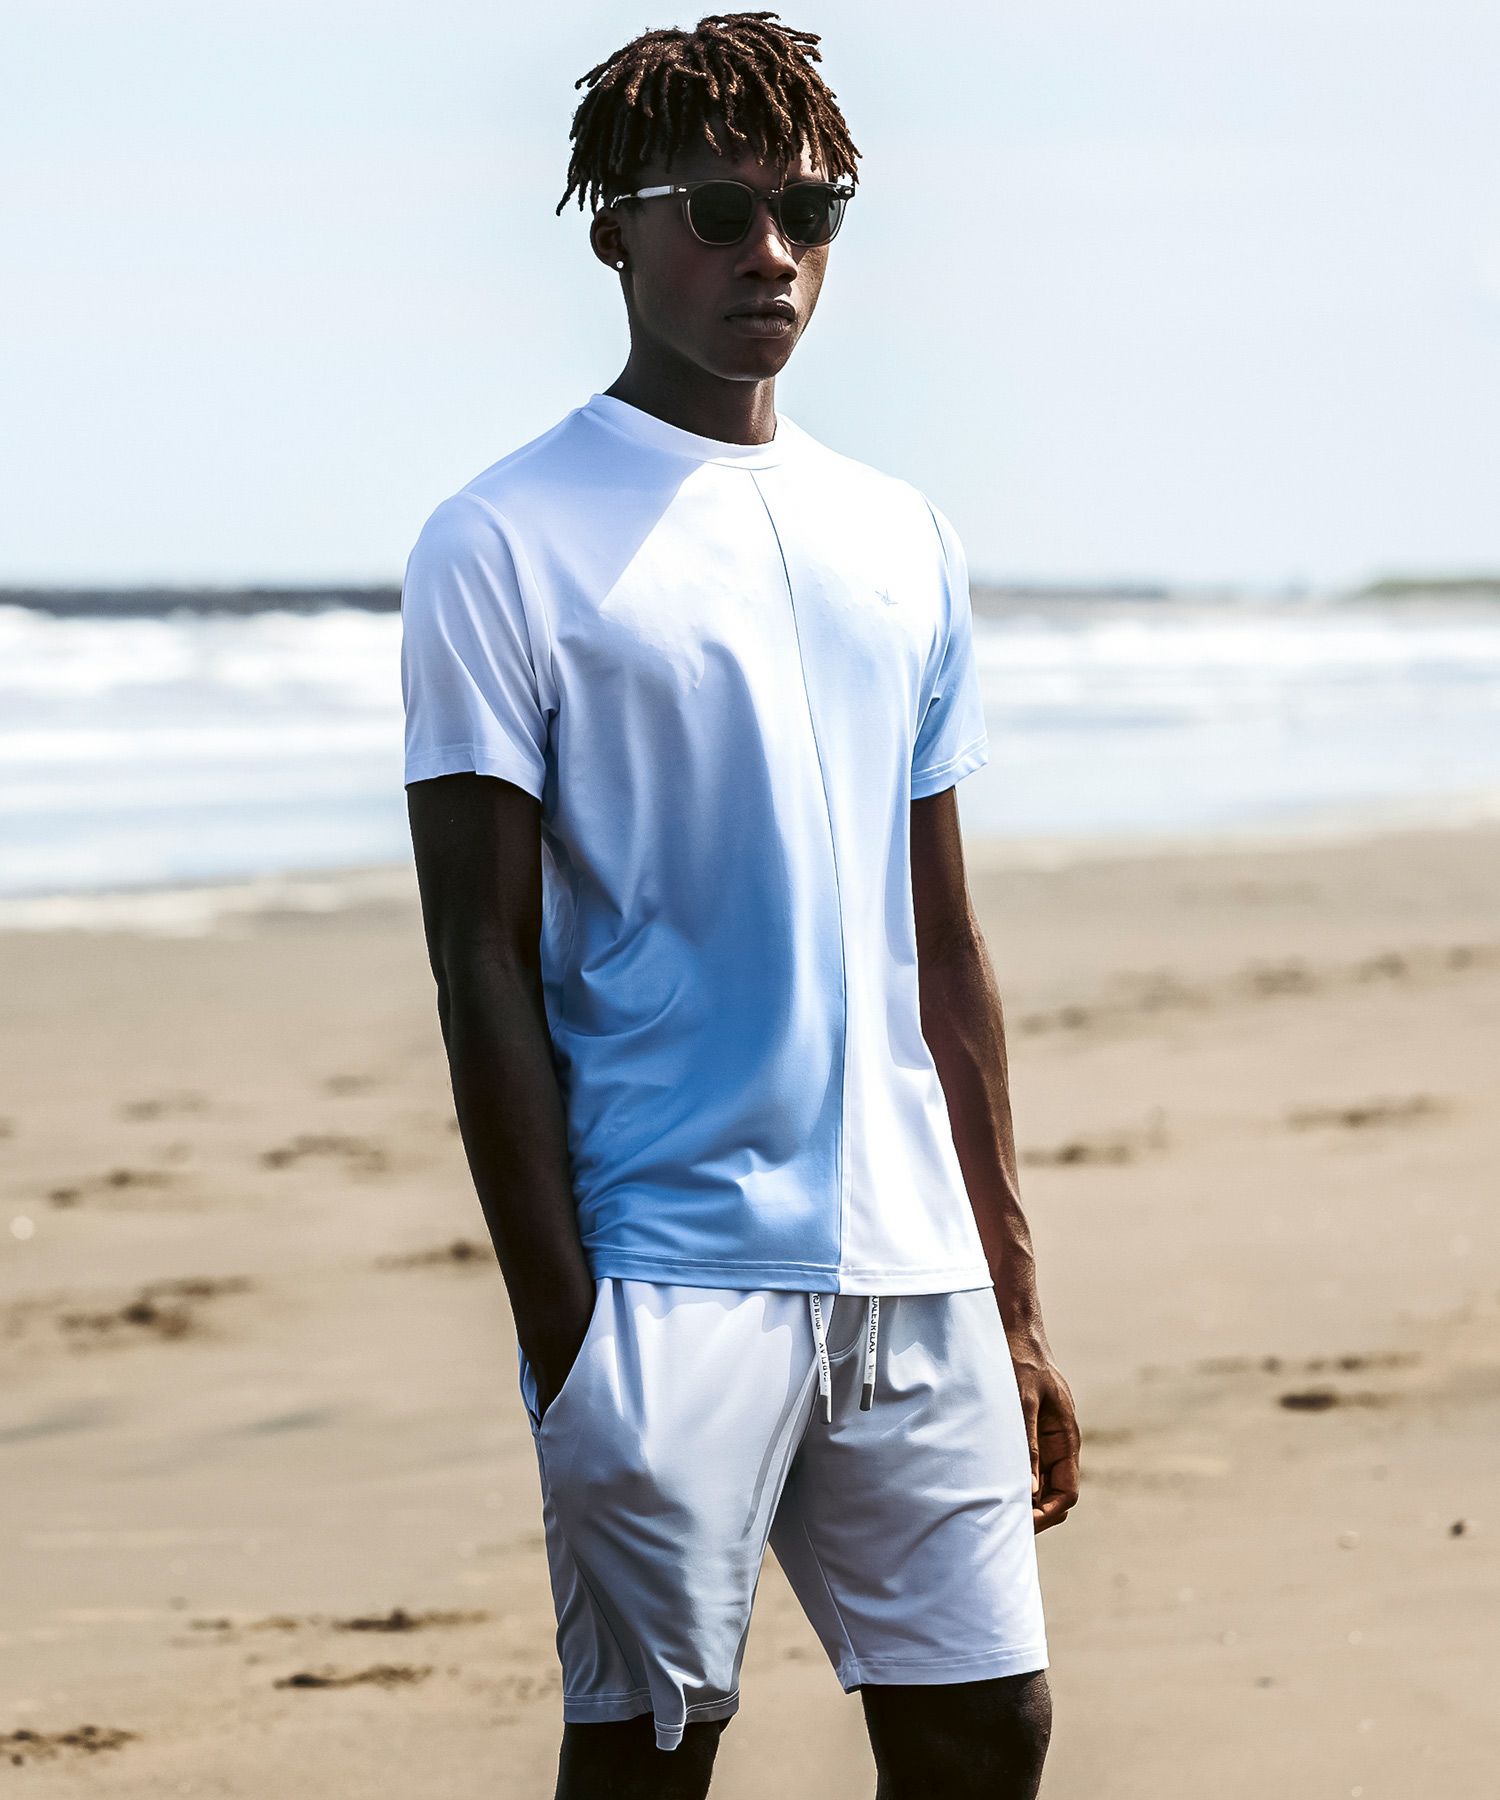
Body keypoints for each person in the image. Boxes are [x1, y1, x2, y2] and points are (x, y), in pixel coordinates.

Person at [400, 12, 1081, 1797]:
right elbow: (478, 962)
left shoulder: (903, 536)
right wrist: (568, 1342)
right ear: (615, 233)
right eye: (718, 210)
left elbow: (945, 946)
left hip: (913, 1266)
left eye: (810, 210)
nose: (770, 251)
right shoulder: (504, 539)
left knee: (988, 1730)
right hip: (666, 1268)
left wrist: (1010, 1295)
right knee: (648, 1763)